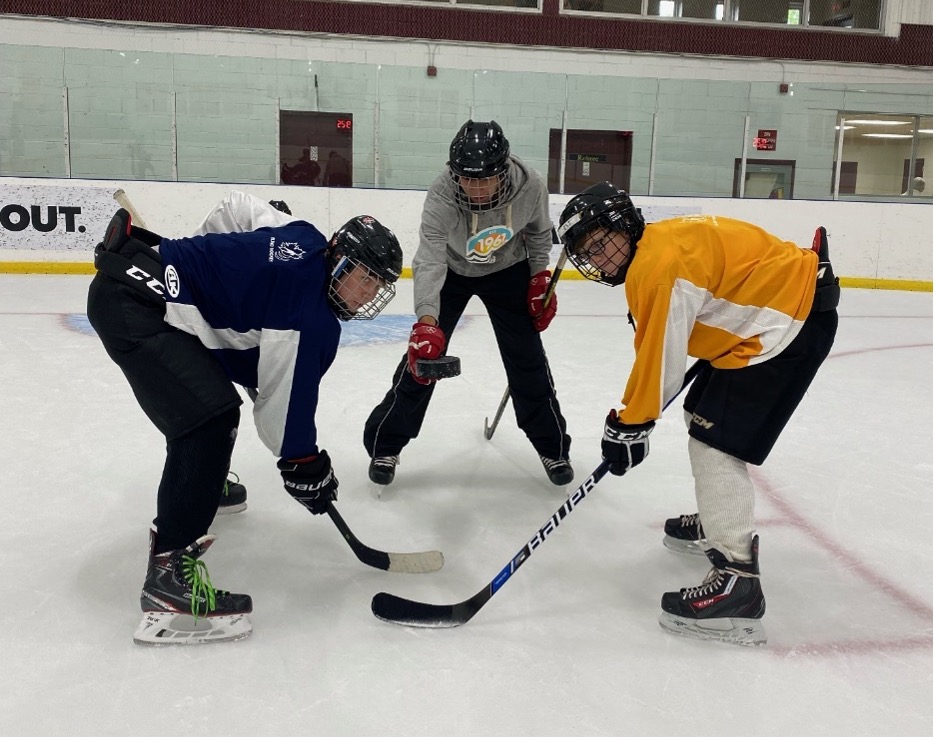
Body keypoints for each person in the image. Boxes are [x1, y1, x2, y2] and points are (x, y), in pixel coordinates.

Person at [87, 206, 402, 645]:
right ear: (341, 261)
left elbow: (235, 207)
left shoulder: (302, 235)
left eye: (378, 286)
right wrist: (305, 466)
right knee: (208, 420)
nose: (368, 295)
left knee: (204, 403)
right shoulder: (309, 317)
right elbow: (282, 418)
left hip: (136, 281)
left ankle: (203, 483)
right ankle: (168, 585)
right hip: (137, 308)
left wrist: (203, 263)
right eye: (365, 279)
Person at [556, 182, 840, 646]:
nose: (600, 258)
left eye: (603, 241)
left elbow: (659, 360)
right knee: (700, 413)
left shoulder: (656, 268)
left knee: (714, 441)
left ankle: (738, 581)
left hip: (788, 322)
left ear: (625, 226)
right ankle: (719, 517)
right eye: (588, 252)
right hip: (777, 307)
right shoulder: (657, 245)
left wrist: (630, 423)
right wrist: (636, 419)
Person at [363, 120, 572, 487]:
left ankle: (553, 448)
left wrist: (539, 279)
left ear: (503, 170)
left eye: (483, 179)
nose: (474, 187)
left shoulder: (531, 186)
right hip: (453, 271)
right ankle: (385, 444)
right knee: (422, 359)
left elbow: (539, 233)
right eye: (465, 178)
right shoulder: (442, 193)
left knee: (527, 360)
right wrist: (427, 322)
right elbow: (428, 257)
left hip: (509, 270)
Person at [191, 193, 299, 515]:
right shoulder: (227, 260)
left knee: (218, 414)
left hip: (229, 346)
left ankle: (210, 480)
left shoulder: (284, 278)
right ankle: (205, 485)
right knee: (211, 414)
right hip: (192, 339)